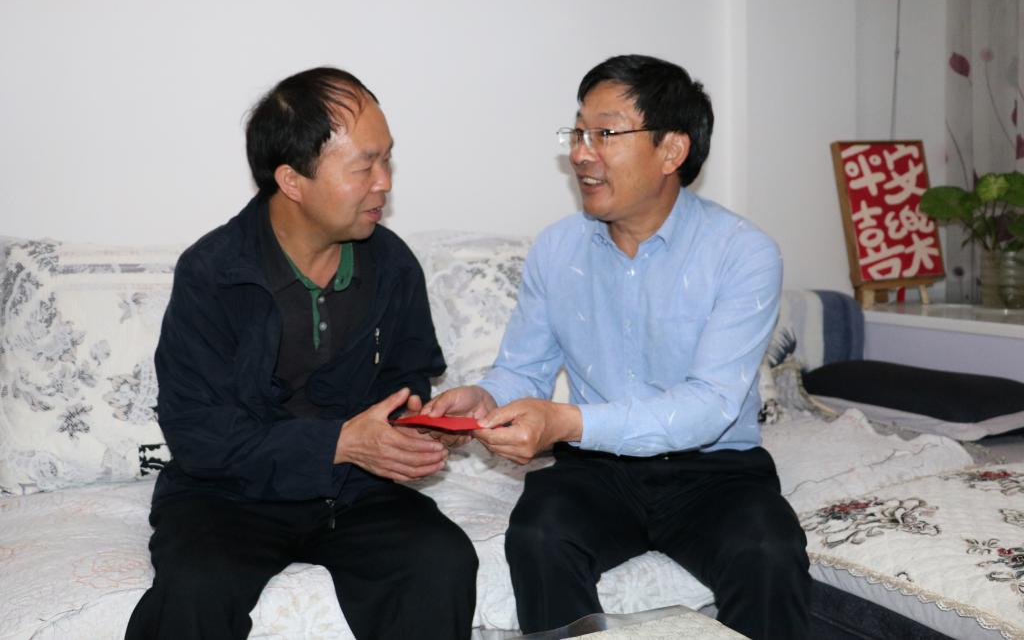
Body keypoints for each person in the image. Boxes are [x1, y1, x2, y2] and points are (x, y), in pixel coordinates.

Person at [423, 54, 810, 639]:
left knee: (769, 550)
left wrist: (565, 421)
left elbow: (710, 406)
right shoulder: (558, 249)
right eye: (578, 133)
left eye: (604, 134)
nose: (581, 153)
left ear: (671, 150)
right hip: (597, 470)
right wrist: (482, 399)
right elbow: (523, 371)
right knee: (539, 535)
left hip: (714, 471)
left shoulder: (742, 253)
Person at [126, 67, 477, 640]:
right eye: (364, 166)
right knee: (195, 589)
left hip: (357, 491)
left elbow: (405, 377)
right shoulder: (214, 273)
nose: (385, 182)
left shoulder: (391, 265)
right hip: (227, 498)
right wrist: (338, 442)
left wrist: (425, 424)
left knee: (442, 561)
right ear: (292, 180)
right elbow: (200, 436)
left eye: (388, 159)